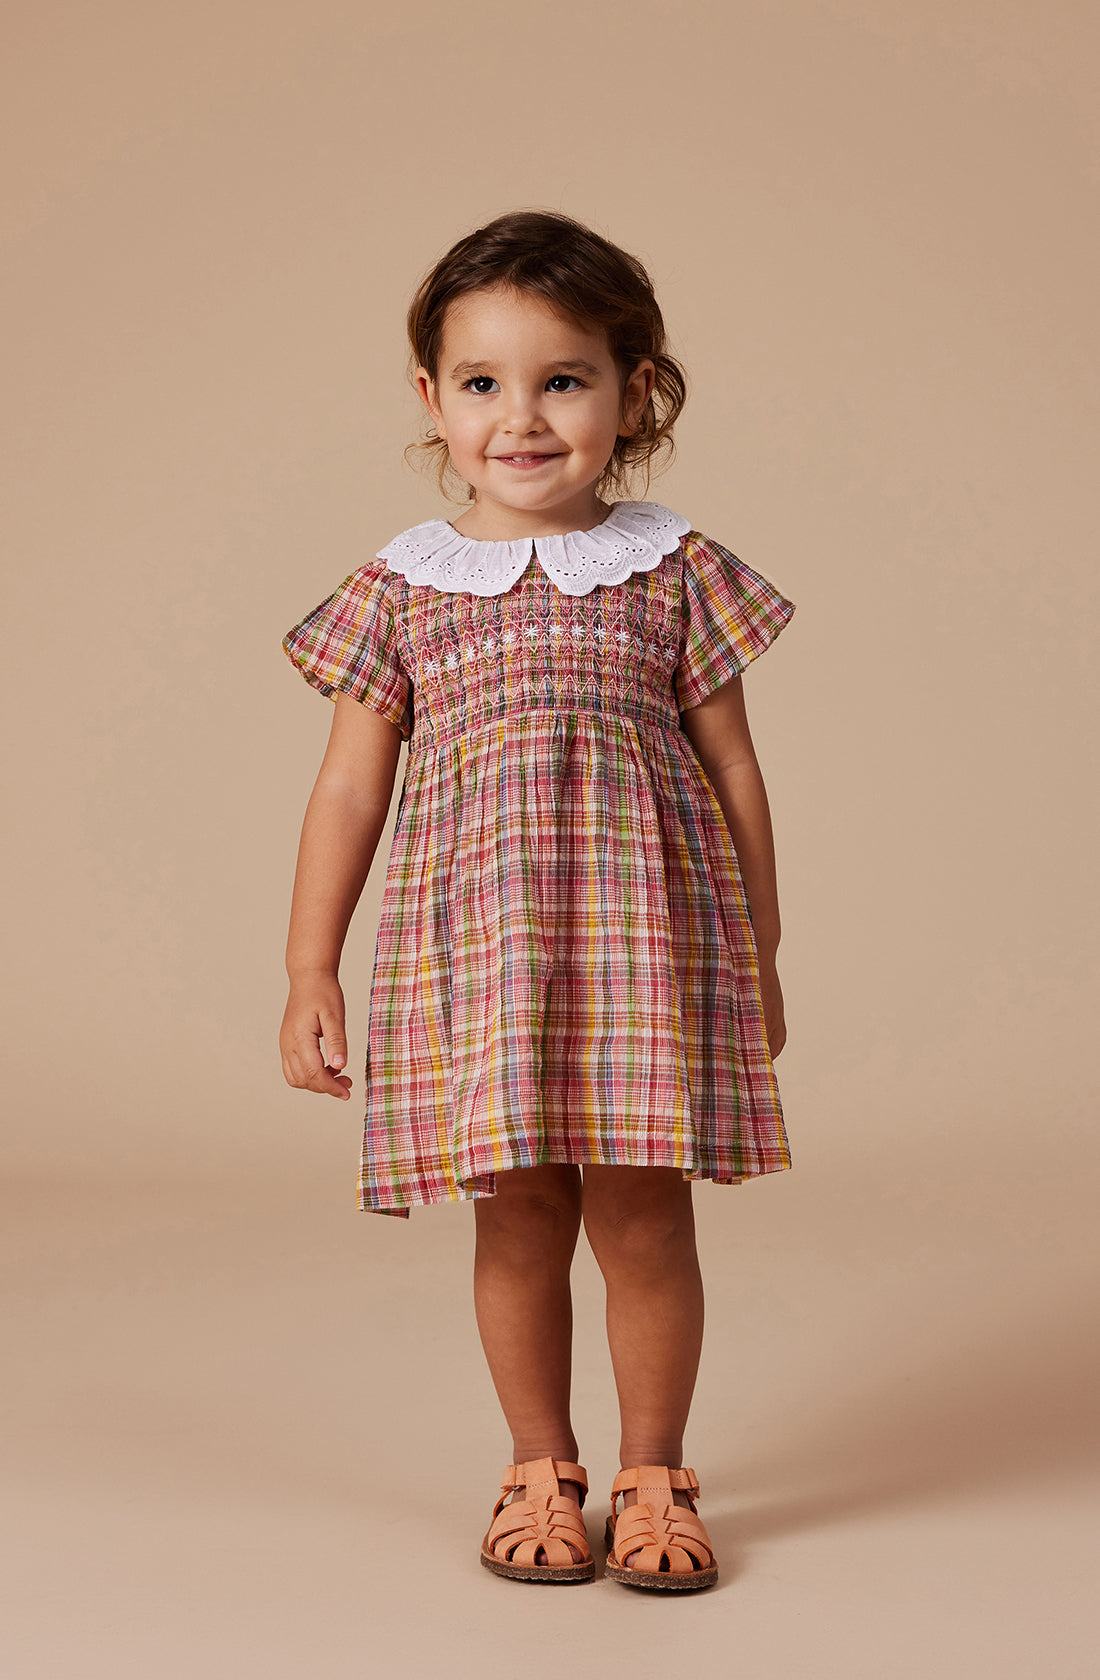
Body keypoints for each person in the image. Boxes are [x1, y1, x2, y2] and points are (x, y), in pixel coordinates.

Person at [278, 209, 797, 1591]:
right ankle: (538, 1464)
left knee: (644, 1217)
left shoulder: (673, 569)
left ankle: (652, 1472)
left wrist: (762, 946)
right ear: (432, 399)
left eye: (564, 379)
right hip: (480, 963)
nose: (523, 417)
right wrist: (308, 968)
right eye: (484, 383)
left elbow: (734, 768)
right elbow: (346, 790)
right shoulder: (404, 588)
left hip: (644, 958)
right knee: (514, 1215)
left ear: (635, 393)